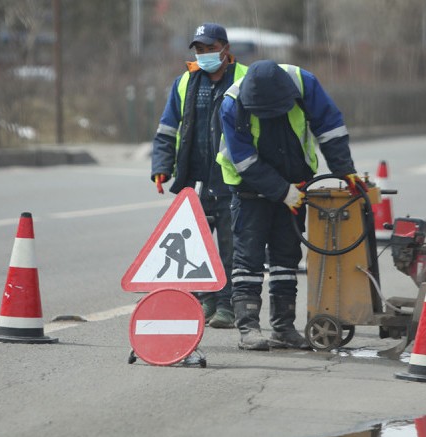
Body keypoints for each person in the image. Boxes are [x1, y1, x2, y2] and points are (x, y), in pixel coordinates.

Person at [216, 60, 367, 350]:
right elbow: (244, 159)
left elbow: (330, 128)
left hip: (296, 184)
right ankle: (248, 328)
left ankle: (283, 328)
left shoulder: (304, 84)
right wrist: (282, 192)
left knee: (286, 257)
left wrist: (344, 168)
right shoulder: (233, 103)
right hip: (250, 190)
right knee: (248, 259)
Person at [151, 23, 247, 329]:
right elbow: (168, 128)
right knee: (195, 248)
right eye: (200, 50)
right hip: (195, 181)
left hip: (233, 182)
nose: (204, 55)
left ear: (225, 49)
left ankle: (227, 305)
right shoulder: (185, 82)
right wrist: (162, 166)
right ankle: (204, 300)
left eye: (210, 48)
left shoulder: (246, 78)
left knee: (231, 249)